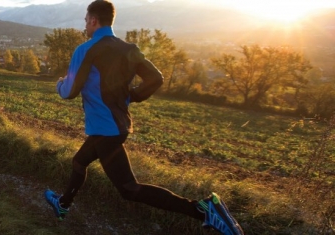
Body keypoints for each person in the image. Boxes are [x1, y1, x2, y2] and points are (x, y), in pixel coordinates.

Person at [44, 1, 244, 234]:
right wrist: (131, 97)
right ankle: (63, 204)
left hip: (105, 130)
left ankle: (202, 209)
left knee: (129, 189)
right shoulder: (129, 49)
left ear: (93, 20)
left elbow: (69, 91)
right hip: (115, 126)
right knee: (79, 162)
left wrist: (59, 84)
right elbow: (155, 78)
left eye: (86, 20)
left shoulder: (86, 50)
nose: (85, 25)